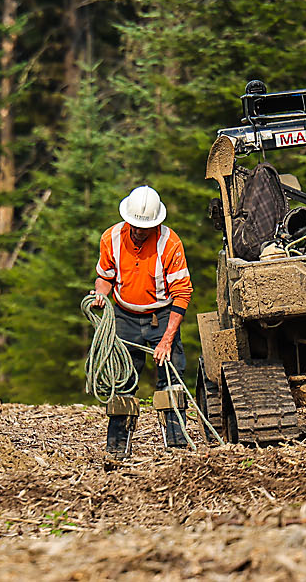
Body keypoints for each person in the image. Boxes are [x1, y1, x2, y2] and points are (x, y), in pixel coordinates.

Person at [91, 184, 193, 458]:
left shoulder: (170, 244)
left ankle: (176, 443)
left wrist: (167, 339)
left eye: (144, 228)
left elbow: (182, 293)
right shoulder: (110, 238)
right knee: (123, 379)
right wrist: (101, 295)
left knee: (171, 377)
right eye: (135, 227)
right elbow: (105, 277)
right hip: (125, 315)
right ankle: (117, 445)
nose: (139, 232)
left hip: (161, 315)